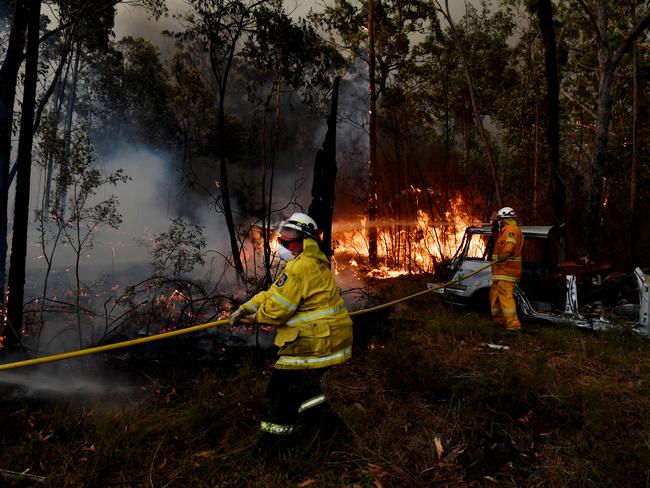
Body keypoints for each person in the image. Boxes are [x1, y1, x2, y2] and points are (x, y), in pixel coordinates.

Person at [228, 212, 353, 457]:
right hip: (327, 337)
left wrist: (251, 318)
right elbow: (273, 293)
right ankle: (327, 429)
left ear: (306, 241)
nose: (284, 246)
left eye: (290, 242)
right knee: (302, 388)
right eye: (281, 241)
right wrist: (247, 307)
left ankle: (271, 448)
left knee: (283, 390)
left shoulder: (301, 267)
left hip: (316, 341)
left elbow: (276, 311)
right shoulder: (308, 262)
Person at [490, 206, 524, 332]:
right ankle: (500, 322)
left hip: (507, 272)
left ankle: (513, 326)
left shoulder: (512, 229)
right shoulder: (503, 231)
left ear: (504, 219)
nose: (499, 221)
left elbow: (510, 245)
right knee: (495, 298)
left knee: (506, 299)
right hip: (499, 273)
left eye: (500, 219)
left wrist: (504, 255)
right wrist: (493, 225)